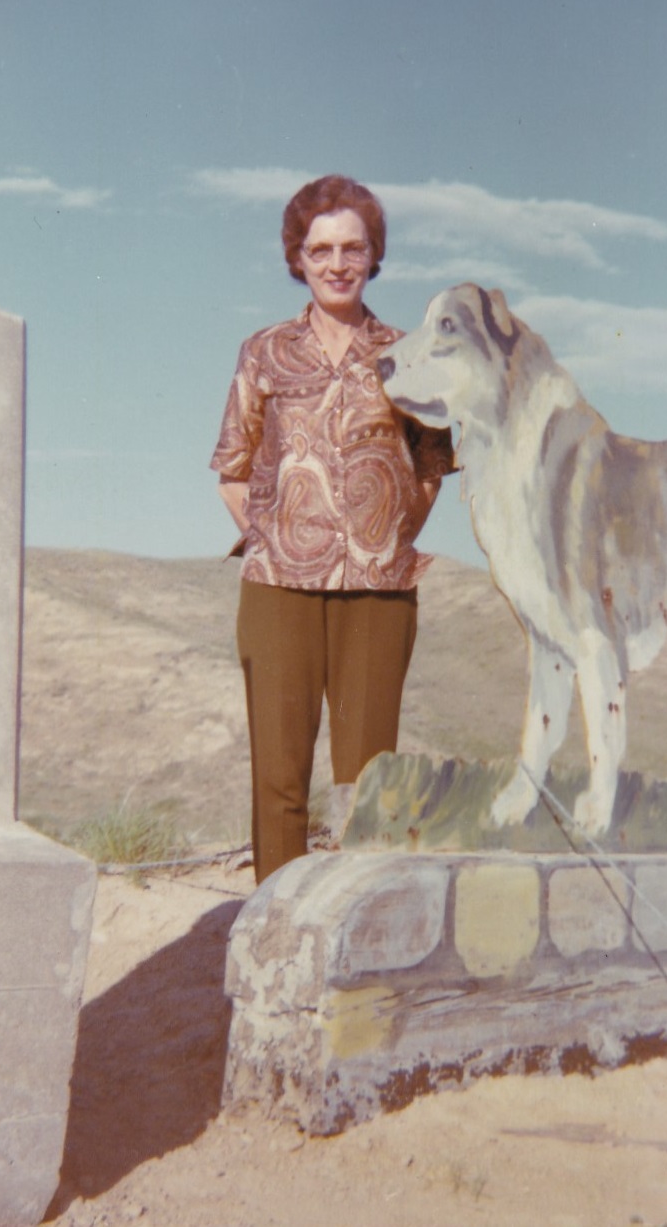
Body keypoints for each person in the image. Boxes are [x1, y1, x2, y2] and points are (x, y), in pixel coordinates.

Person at [211, 174, 455, 883]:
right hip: (277, 589)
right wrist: (271, 538)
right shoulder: (263, 351)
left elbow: (432, 466)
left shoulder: (409, 354)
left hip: (378, 591)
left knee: (368, 781)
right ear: (298, 258)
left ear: (375, 254)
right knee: (279, 781)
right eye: (321, 249)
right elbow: (231, 467)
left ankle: (358, 941)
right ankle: (275, 936)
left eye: (353, 247)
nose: (337, 262)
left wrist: (385, 534)